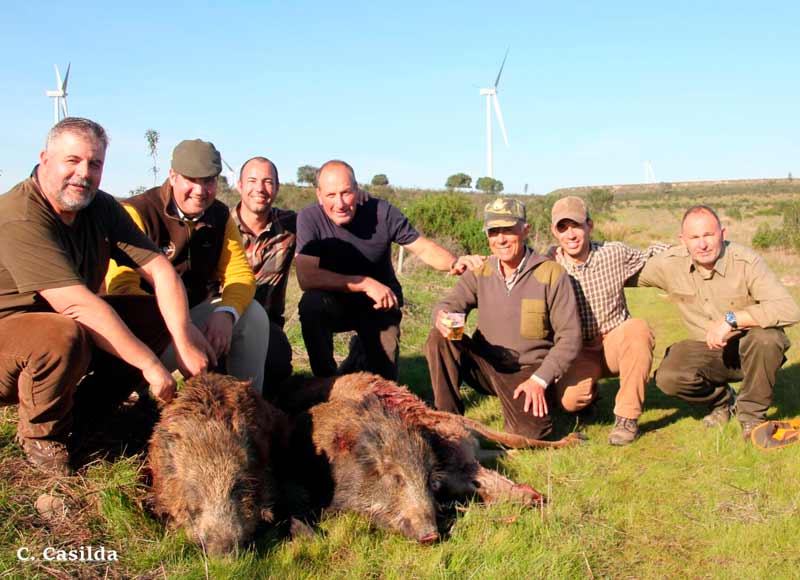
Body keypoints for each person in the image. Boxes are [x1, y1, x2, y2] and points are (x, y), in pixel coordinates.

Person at [0, 118, 211, 475]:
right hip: (13, 338)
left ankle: (86, 418)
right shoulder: (20, 215)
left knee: (152, 314)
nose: (83, 173)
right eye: (73, 160)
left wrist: (184, 338)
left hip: (66, 327)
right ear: (44, 159)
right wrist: (150, 364)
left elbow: (160, 269)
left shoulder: (100, 208)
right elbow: (75, 304)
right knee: (62, 333)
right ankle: (42, 436)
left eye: (94, 164)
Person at [105, 139, 269, 393]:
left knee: (253, 315)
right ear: (172, 176)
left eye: (209, 181)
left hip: (194, 320)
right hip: (144, 332)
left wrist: (226, 313)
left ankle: (247, 404)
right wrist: (181, 332)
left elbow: (239, 273)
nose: (200, 190)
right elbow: (122, 288)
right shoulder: (137, 212)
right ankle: (139, 394)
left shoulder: (219, 215)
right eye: (191, 179)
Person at [295, 159, 484, 380]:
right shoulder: (309, 217)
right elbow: (306, 277)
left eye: (346, 193)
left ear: (357, 190)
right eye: (331, 195)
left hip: (380, 304)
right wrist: (365, 283)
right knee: (311, 303)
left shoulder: (382, 212)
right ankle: (325, 382)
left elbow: (422, 248)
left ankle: (363, 353)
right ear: (319, 195)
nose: (340, 203)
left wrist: (453, 263)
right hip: (335, 303)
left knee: (384, 381)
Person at [637, 204, 800, 440]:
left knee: (768, 339)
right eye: (694, 237)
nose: (702, 244)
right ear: (683, 240)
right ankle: (723, 402)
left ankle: (752, 418)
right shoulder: (668, 264)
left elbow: (790, 309)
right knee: (669, 376)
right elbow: (624, 271)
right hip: (709, 350)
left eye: (708, 235)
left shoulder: (746, 262)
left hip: (749, 348)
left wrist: (732, 319)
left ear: (723, 233)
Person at [424, 198, 582, 439]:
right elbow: (450, 304)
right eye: (494, 231)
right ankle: (449, 422)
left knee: (529, 436)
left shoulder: (551, 273)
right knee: (440, 337)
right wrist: (443, 316)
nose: (501, 239)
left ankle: (552, 398)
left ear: (525, 230)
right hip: (484, 364)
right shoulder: (480, 270)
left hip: (526, 371)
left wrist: (540, 380)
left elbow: (570, 337)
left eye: (508, 230)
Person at [548, 196, 668, 445]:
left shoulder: (614, 253)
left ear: (589, 226)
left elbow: (651, 255)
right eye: (563, 227)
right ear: (554, 232)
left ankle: (626, 418)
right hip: (578, 349)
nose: (570, 234)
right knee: (569, 402)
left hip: (615, 340)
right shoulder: (549, 265)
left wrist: (688, 248)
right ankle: (590, 397)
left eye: (576, 226)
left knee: (638, 330)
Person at [232, 156, 295, 394]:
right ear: (239, 185)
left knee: (277, 363)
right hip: (224, 320)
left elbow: (330, 214)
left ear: (277, 188)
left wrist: (361, 197)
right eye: (252, 180)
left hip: (268, 326)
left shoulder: (291, 224)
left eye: (268, 181)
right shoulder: (220, 225)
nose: (260, 188)